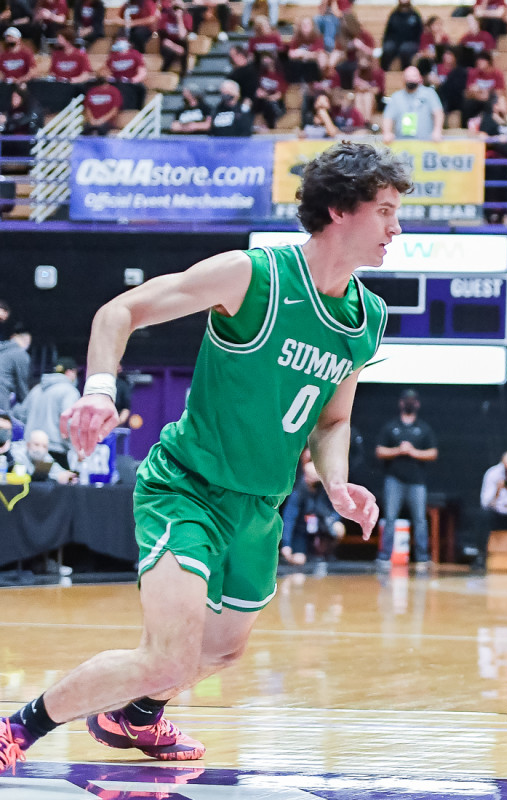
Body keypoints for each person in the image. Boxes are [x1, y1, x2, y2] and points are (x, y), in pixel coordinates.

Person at [0, 141, 405, 772]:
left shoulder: (367, 315)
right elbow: (120, 311)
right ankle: (19, 727)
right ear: (337, 211)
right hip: (187, 488)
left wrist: (337, 482)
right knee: (168, 658)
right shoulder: (255, 276)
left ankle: (131, 716)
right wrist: (100, 391)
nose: (395, 228)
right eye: (384, 211)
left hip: (261, 505)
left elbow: (335, 415)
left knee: (219, 654)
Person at [375, 388, 439, 572]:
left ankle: (422, 557)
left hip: (417, 482)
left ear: (417, 404)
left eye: (413, 400)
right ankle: (384, 556)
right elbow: (380, 451)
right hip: (394, 480)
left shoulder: (424, 428)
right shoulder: (391, 426)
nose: (409, 403)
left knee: (420, 519)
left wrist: (413, 452)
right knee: (390, 518)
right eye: (406, 400)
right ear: (401, 403)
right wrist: (398, 450)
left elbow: (433, 453)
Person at [14, 356, 79, 470]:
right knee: (63, 482)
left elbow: (20, 414)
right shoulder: (69, 391)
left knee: (34, 485)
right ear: (70, 372)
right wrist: (76, 447)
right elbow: (70, 421)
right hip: (56, 450)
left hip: (31, 449)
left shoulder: (36, 389)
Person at [381, 65, 444, 142]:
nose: (410, 79)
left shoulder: (429, 93)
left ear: (420, 78)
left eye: (414, 76)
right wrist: (387, 132)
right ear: (403, 79)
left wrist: (437, 130)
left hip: (425, 142)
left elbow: (438, 113)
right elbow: (388, 117)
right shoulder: (396, 97)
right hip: (402, 143)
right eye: (408, 76)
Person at [0, 323, 30, 415]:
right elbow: (22, 384)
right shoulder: (20, 353)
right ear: (26, 339)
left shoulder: (3, 350)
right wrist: (29, 404)